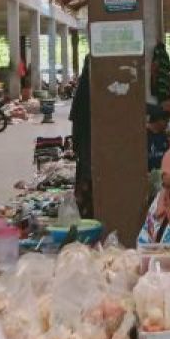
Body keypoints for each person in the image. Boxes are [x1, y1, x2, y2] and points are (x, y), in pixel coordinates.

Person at [69, 56, 93, 218]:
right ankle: (86, 213)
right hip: (87, 139)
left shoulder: (86, 86)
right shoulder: (87, 88)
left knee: (87, 175)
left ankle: (87, 212)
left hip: (86, 139)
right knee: (87, 176)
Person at [146, 105, 170, 172]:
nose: (168, 123)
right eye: (166, 121)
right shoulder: (144, 136)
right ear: (159, 120)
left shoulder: (163, 136)